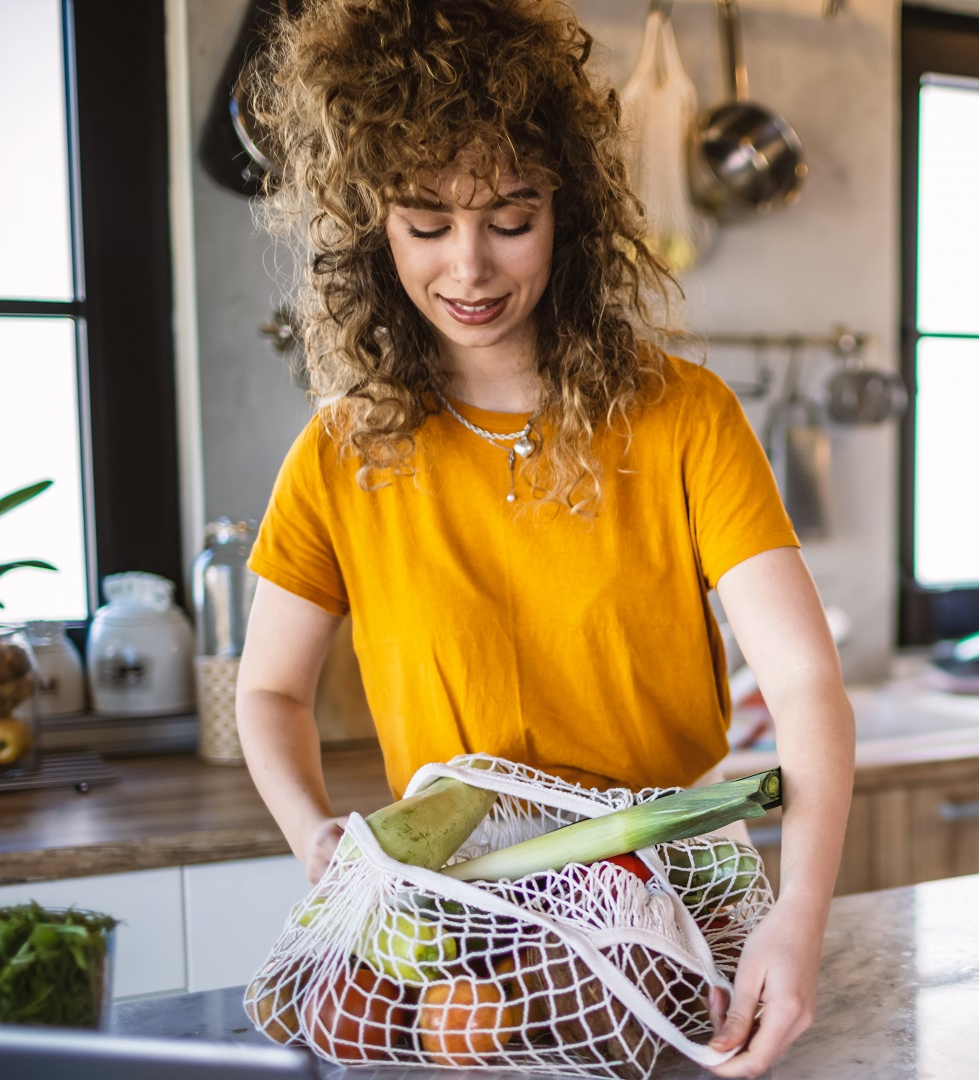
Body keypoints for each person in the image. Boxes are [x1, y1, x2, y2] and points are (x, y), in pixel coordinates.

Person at [230, 1, 853, 1073]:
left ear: (570, 210)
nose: (468, 267)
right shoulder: (340, 454)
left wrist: (800, 914)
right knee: (327, 1025)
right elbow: (269, 692)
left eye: (510, 218)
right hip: (452, 894)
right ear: (369, 228)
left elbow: (804, 684)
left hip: (656, 880)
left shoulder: (683, 417)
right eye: (426, 223)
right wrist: (317, 838)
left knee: (593, 1037)